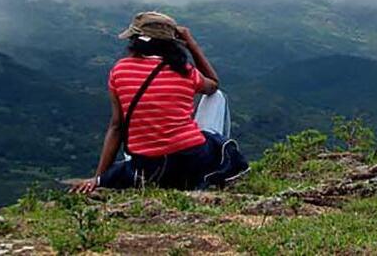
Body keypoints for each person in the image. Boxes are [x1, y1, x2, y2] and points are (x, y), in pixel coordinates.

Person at [71, 11, 248, 194]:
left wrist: (100, 178)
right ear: (172, 44)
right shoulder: (185, 71)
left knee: (131, 164)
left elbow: (116, 127)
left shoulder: (120, 70)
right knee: (216, 138)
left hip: (148, 167)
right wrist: (192, 44)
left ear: (134, 40)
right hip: (191, 160)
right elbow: (213, 84)